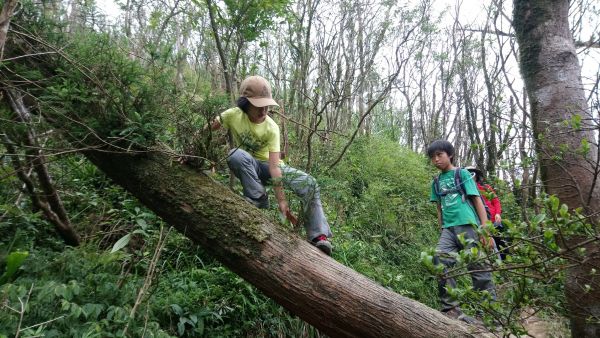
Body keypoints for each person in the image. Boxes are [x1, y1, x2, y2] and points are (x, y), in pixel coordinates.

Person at [205, 75, 332, 255]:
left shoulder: (272, 127)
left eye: (266, 105)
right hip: (249, 166)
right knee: (235, 155)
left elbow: (274, 167)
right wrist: (195, 153)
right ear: (245, 103)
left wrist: (282, 201)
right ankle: (258, 197)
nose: (264, 109)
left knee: (310, 183)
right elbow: (208, 129)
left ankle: (318, 237)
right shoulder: (233, 115)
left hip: (269, 167)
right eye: (258, 105)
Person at [427, 140, 496, 324]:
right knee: (439, 260)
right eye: (433, 157)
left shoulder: (462, 174)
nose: (436, 160)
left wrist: (485, 230)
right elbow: (440, 209)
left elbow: (477, 201)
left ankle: (491, 315)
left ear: (449, 154)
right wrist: (442, 228)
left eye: (439, 155)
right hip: (448, 230)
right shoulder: (436, 181)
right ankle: (450, 309)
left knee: (478, 268)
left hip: (469, 226)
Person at [466, 167, 507, 260]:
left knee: (500, 242)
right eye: (469, 173)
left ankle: (505, 264)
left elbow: (496, 201)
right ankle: (493, 264)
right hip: (479, 222)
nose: (471, 175)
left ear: (477, 176)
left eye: (473, 173)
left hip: (493, 219)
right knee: (486, 244)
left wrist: (498, 213)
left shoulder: (486, 188)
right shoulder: (465, 191)